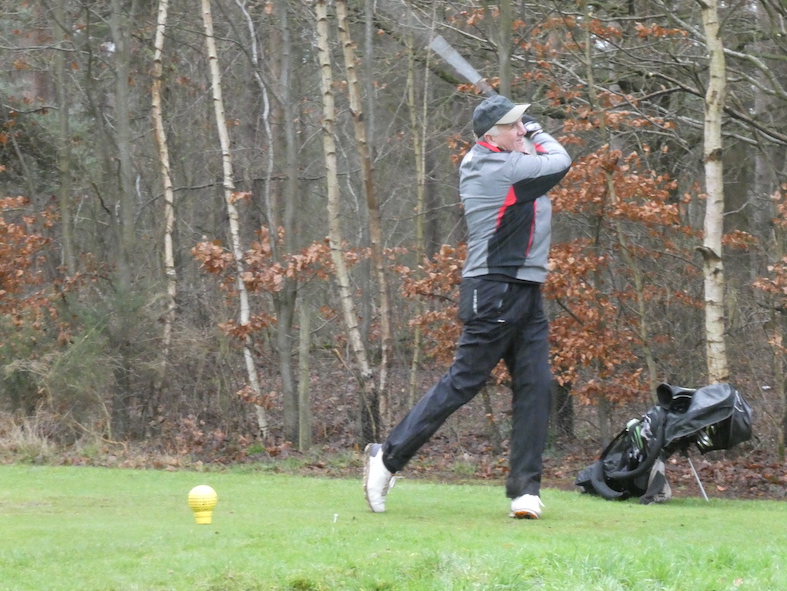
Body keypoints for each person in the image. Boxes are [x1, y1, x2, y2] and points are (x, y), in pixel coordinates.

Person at [363, 94, 572, 519]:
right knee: (464, 382)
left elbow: (536, 156)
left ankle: (525, 490)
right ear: (491, 136)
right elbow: (560, 161)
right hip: (494, 288)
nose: (521, 130)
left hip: (526, 287)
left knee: (536, 386)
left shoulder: (507, 157)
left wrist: (522, 129)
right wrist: (535, 128)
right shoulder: (497, 168)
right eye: (513, 126)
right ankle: (387, 456)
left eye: (522, 124)